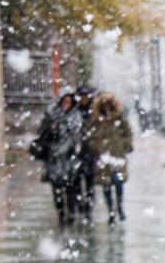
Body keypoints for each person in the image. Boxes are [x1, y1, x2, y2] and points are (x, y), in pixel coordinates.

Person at [33, 92, 83, 226]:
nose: (66, 105)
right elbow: (44, 134)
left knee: (70, 189)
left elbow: (77, 137)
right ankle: (61, 214)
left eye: (69, 102)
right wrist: (52, 129)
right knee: (57, 190)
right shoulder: (52, 115)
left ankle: (71, 215)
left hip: (69, 159)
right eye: (64, 101)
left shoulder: (75, 117)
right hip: (55, 159)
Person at [86, 91, 134, 224]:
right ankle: (111, 209)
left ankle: (119, 205)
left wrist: (125, 144)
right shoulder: (96, 119)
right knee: (106, 184)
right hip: (103, 155)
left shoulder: (118, 117)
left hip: (117, 154)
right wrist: (96, 146)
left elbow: (127, 132)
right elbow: (89, 135)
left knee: (117, 181)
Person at [74, 84, 97, 222]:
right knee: (77, 182)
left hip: (89, 152)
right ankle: (81, 206)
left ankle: (88, 208)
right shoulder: (76, 111)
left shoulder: (93, 112)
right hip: (78, 152)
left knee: (90, 183)